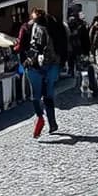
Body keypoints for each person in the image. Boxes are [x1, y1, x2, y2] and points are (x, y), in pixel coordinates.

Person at [16, 8, 61, 137]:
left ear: (32, 16)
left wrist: (15, 48)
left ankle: (40, 118)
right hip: (52, 64)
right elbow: (62, 43)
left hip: (33, 65)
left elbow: (20, 46)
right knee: (49, 94)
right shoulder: (53, 25)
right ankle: (52, 122)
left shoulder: (26, 27)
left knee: (36, 95)